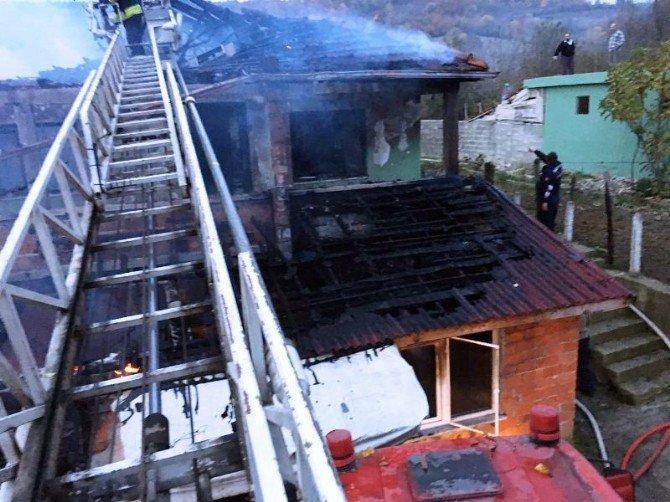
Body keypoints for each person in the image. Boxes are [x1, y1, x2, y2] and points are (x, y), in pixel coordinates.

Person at [529, 147, 563, 231]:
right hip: (555, 196)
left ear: (550, 160)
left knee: (545, 219)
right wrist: (535, 150)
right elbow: (544, 157)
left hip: (548, 198)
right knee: (551, 217)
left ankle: (545, 237)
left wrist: (545, 201)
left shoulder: (549, 172)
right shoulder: (558, 166)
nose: (546, 160)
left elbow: (549, 188)